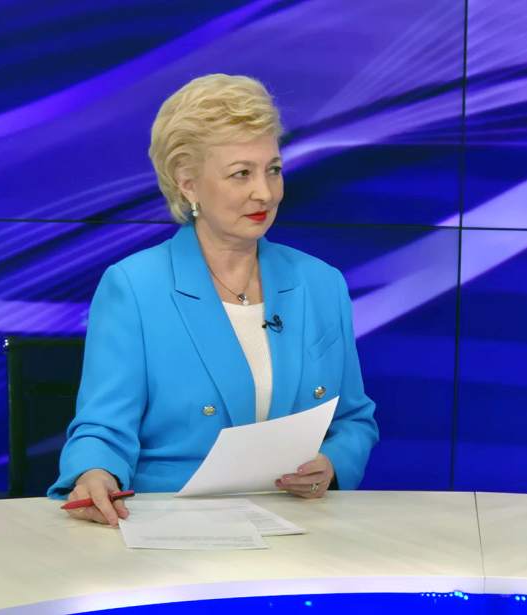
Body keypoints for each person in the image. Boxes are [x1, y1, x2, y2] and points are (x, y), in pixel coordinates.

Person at [47, 74, 378, 526]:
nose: (265, 192)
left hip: (298, 528)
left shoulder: (321, 284)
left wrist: (332, 463)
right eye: (242, 173)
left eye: (273, 169)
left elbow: (354, 419)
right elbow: (102, 429)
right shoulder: (134, 287)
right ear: (188, 184)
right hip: (172, 528)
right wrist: (95, 474)